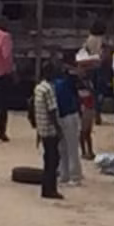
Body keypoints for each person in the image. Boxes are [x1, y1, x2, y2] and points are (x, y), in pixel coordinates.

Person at [32, 62, 64, 200]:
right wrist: (58, 128)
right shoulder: (49, 89)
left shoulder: (38, 88)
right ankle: (51, 189)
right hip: (50, 130)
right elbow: (52, 110)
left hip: (42, 128)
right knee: (53, 160)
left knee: (48, 159)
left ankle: (46, 188)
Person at [54, 61, 83, 186]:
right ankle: (64, 174)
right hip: (64, 116)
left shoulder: (63, 83)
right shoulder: (60, 83)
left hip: (69, 115)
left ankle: (75, 176)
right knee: (63, 148)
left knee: (71, 148)